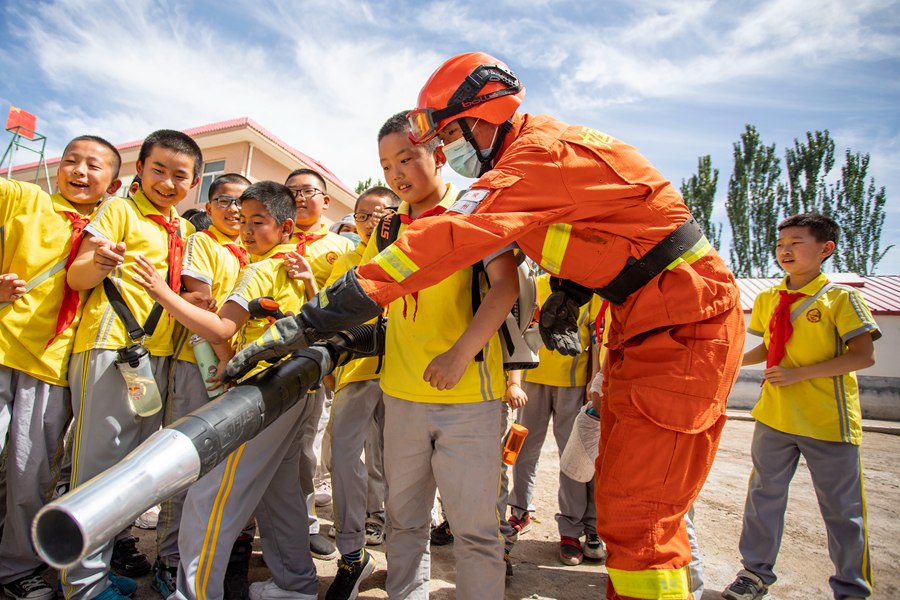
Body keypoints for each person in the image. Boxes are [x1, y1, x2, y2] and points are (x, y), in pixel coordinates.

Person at [226, 51, 745, 600]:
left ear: (482, 120)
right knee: (625, 506)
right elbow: (619, 233)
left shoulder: (535, 159)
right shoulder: (531, 160)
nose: (442, 151)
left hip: (683, 329)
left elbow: (443, 243)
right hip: (648, 319)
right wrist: (573, 288)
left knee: (640, 520)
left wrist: (308, 323)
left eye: (446, 135)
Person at [331, 109, 518, 600]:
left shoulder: (476, 210)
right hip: (401, 394)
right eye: (386, 163)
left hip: (470, 397)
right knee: (404, 521)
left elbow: (505, 289)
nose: (396, 173)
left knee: (475, 528)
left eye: (407, 158)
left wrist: (459, 354)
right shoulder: (387, 229)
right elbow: (368, 294)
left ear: (437, 153)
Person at [132, 181, 320, 600]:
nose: (247, 230)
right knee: (280, 495)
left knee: (211, 498)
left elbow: (221, 327)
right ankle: (296, 585)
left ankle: (196, 593)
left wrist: (162, 293)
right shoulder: (293, 263)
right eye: (244, 220)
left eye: (259, 222)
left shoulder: (260, 269)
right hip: (295, 391)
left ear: (286, 226)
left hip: (263, 396)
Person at [62, 129, 200, 600]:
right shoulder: (118, 210)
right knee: (95, 469)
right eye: (158, 170)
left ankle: (96, 570)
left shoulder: (184, 229)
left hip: (155, 358)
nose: (167, 182)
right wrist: (99, 261)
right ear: (138, 170)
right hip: (108, 348)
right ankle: (79, 583)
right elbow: (78, 276)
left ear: (194, 182)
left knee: (128, 472)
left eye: (180, 175)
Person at [722, 213, 879, 600]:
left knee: (842, 511)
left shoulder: (841, 299)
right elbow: (768, 347)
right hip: (774, 415)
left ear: (826, 249)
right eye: (780, 245)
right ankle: (754, 575)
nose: (785, 251)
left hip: (828, 420)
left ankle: (852, 589)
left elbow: (863, 356)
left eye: (796, 242)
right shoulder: (769, 298)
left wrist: (800, 374)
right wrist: (726, 360)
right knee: (763, 497)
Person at [0, 136, 122, 600]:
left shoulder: (112, 226)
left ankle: (16, 569)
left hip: (53, 367)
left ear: (112, 184)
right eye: (71, 161)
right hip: (2, 349)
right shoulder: (24, 197)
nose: (79, 171)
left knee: (30, 476)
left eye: (94, 166)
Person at [152, 173, 251, 597]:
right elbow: (202, 303)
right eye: (225, 201)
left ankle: (210, 557)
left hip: (238, 367)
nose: (234, 210)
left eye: (242, 203)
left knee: (223, 468)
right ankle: (169, 558)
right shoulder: (202, 244)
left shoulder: (250, 250)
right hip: (201, 363)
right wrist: (223, 355)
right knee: (186, 462)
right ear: (209, 206)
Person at [323, 185, 398, 600]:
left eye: (384, 215)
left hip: (406, 378)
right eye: (366, 216)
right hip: (357, 374)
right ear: (355, 221)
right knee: (342, 459)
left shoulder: (416, 256)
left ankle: (405, 553)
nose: (375, 223)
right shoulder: (347, 264)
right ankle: (353, 554)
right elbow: (333, 316)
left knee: (402, 465)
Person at [508, 272, 605, 566]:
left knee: (574, 459)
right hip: (531, 381)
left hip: (573, 386)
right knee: (519, 449)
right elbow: (519, 330)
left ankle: (572, 530)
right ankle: (519, 511)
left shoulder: (591, 289)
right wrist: (514, 379)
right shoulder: (535, 286)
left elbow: (598, 342)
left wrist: (594, 384)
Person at [285, 168, 354, 560]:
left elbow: (343, 309)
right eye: (290, 191)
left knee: (305, 450)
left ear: (325, 200)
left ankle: (305, 525)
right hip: (264, 360)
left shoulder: (341, 249)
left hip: (312, 362)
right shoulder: (268, 235)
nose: (298, 197)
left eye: (307, 191)